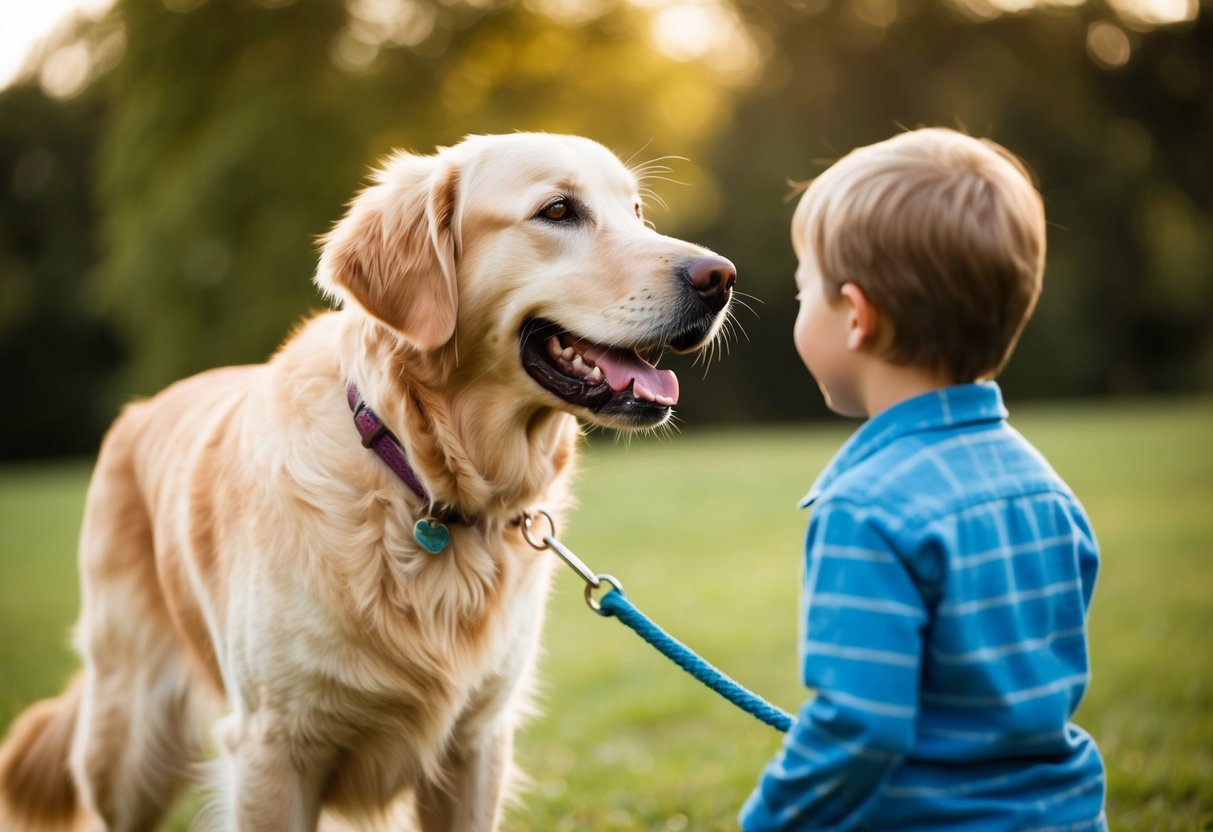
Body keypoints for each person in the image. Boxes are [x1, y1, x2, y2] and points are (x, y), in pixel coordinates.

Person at [740, 128, 1107, 830]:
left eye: (799, 293)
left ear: (854, 315)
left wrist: (767, 822)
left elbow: (859, 727)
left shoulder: (864, 509)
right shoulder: (1046, 492)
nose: (796, 308)